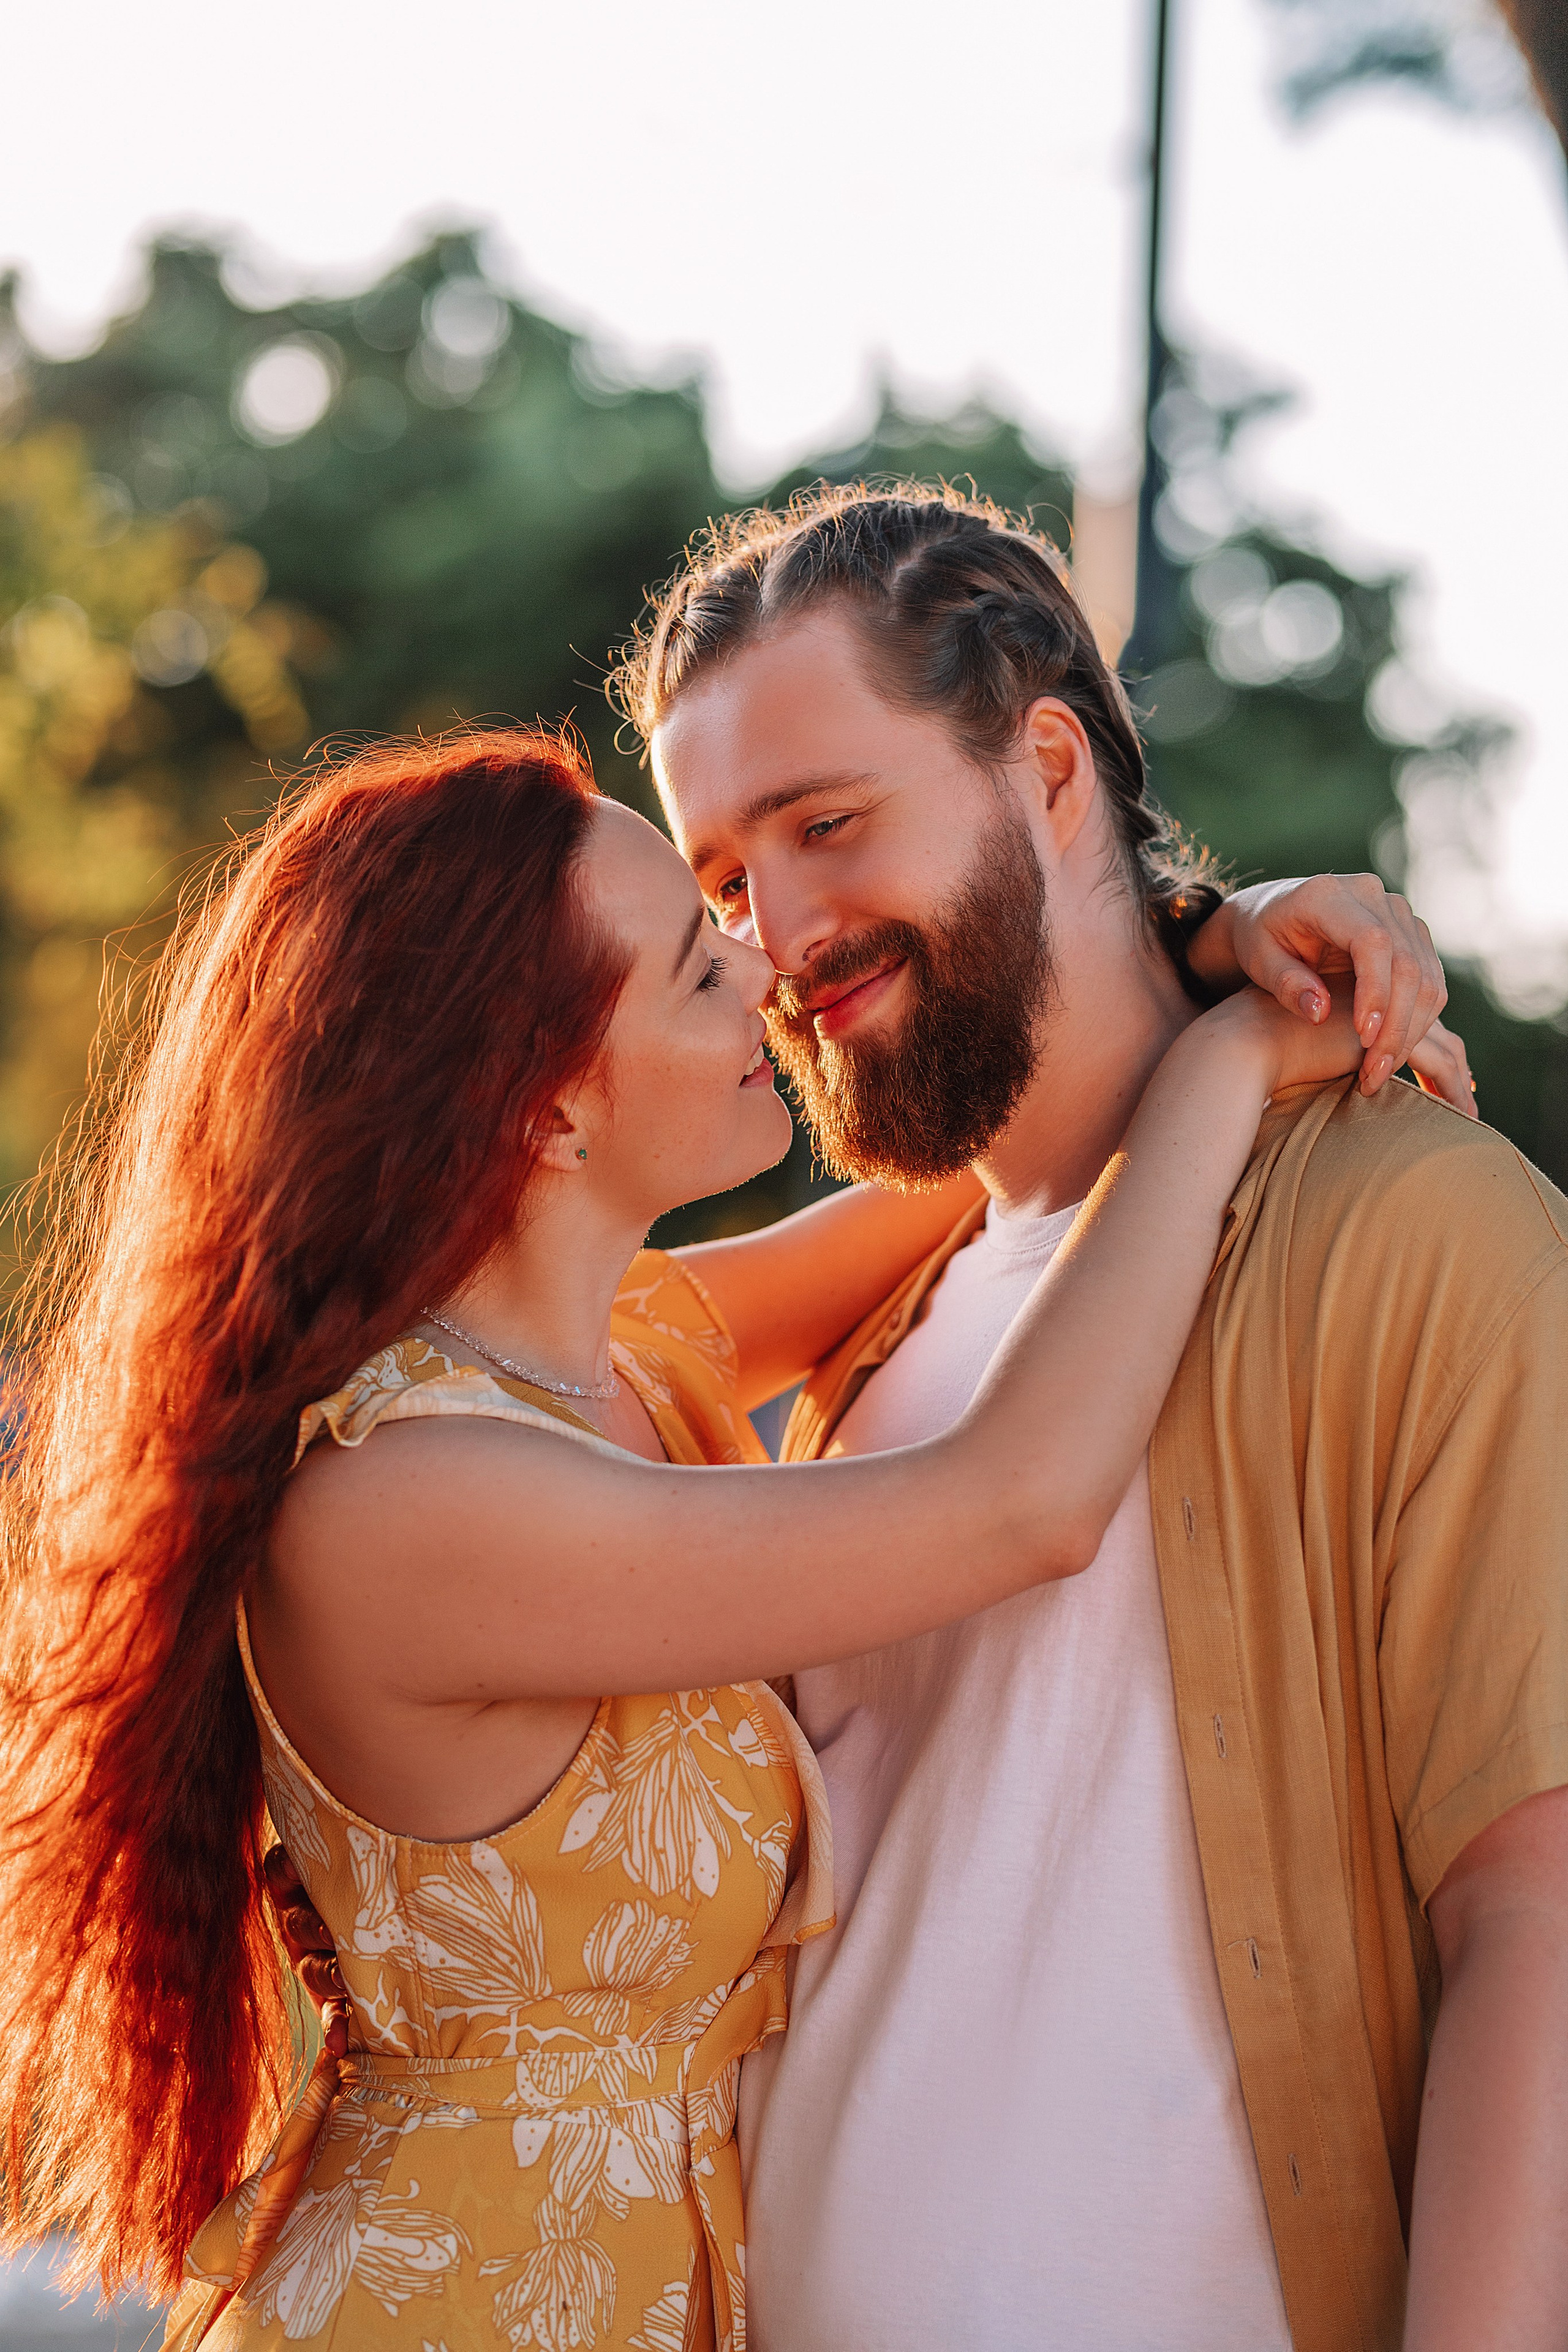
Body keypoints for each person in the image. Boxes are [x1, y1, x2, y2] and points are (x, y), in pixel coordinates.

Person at [0, 726, 1390, 2352]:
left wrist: (1203, 943)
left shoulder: (606, 1368)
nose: (766, 969)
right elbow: (1025, 1501)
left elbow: (1019, 1154)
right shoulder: (403, 1503)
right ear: (544, 1114)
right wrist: (1232, 1065)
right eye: (692, 963)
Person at [614, 483, 1568, 2352]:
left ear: (1049, 769)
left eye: (828, 823)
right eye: (723, 880)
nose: (779, 932)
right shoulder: (872, 1321)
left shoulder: (1421, 1227)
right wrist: (1219, 952)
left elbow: (1533, 1917)